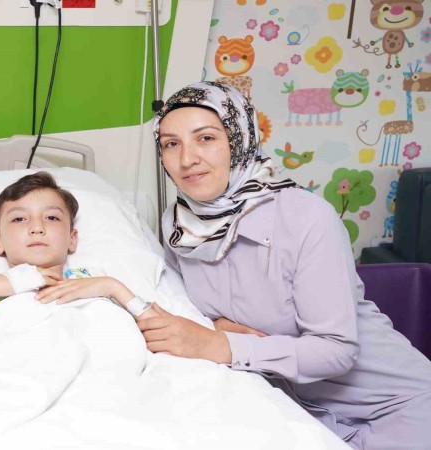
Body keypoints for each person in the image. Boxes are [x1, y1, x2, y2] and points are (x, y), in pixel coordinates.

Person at [146, 80, 431, 449]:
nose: (187, 159)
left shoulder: (306, 217)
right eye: (171, 144)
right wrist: (215, 327)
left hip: (397, 406)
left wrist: (223, 345)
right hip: (299, 414)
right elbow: (187, 316)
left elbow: (335, 351)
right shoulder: (179, 227)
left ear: (239, 139)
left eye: (206, 138)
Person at [0, 171, 158, 360]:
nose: (37, 227)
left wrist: (113, 288)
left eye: (52, 217)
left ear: (72, 239)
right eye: (19, 219)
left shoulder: (94, 280)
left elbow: (159, 334)